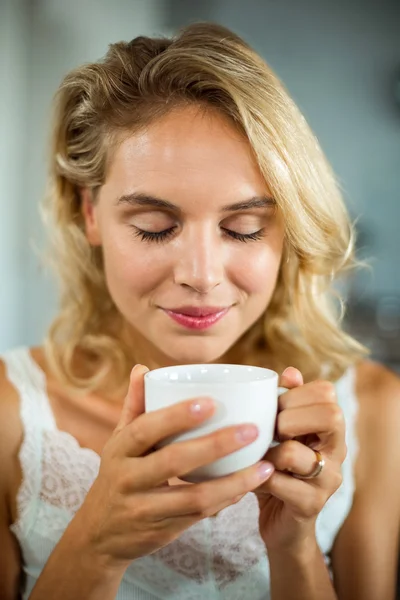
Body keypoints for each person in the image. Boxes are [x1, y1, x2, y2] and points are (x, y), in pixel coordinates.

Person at [1, 21, 400, 600]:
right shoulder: (11, 414)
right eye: (155, 228)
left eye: (243, 228)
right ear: (89, 213)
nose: (203, 274)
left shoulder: (373, 411)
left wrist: (295, 547)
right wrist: (96, 545)